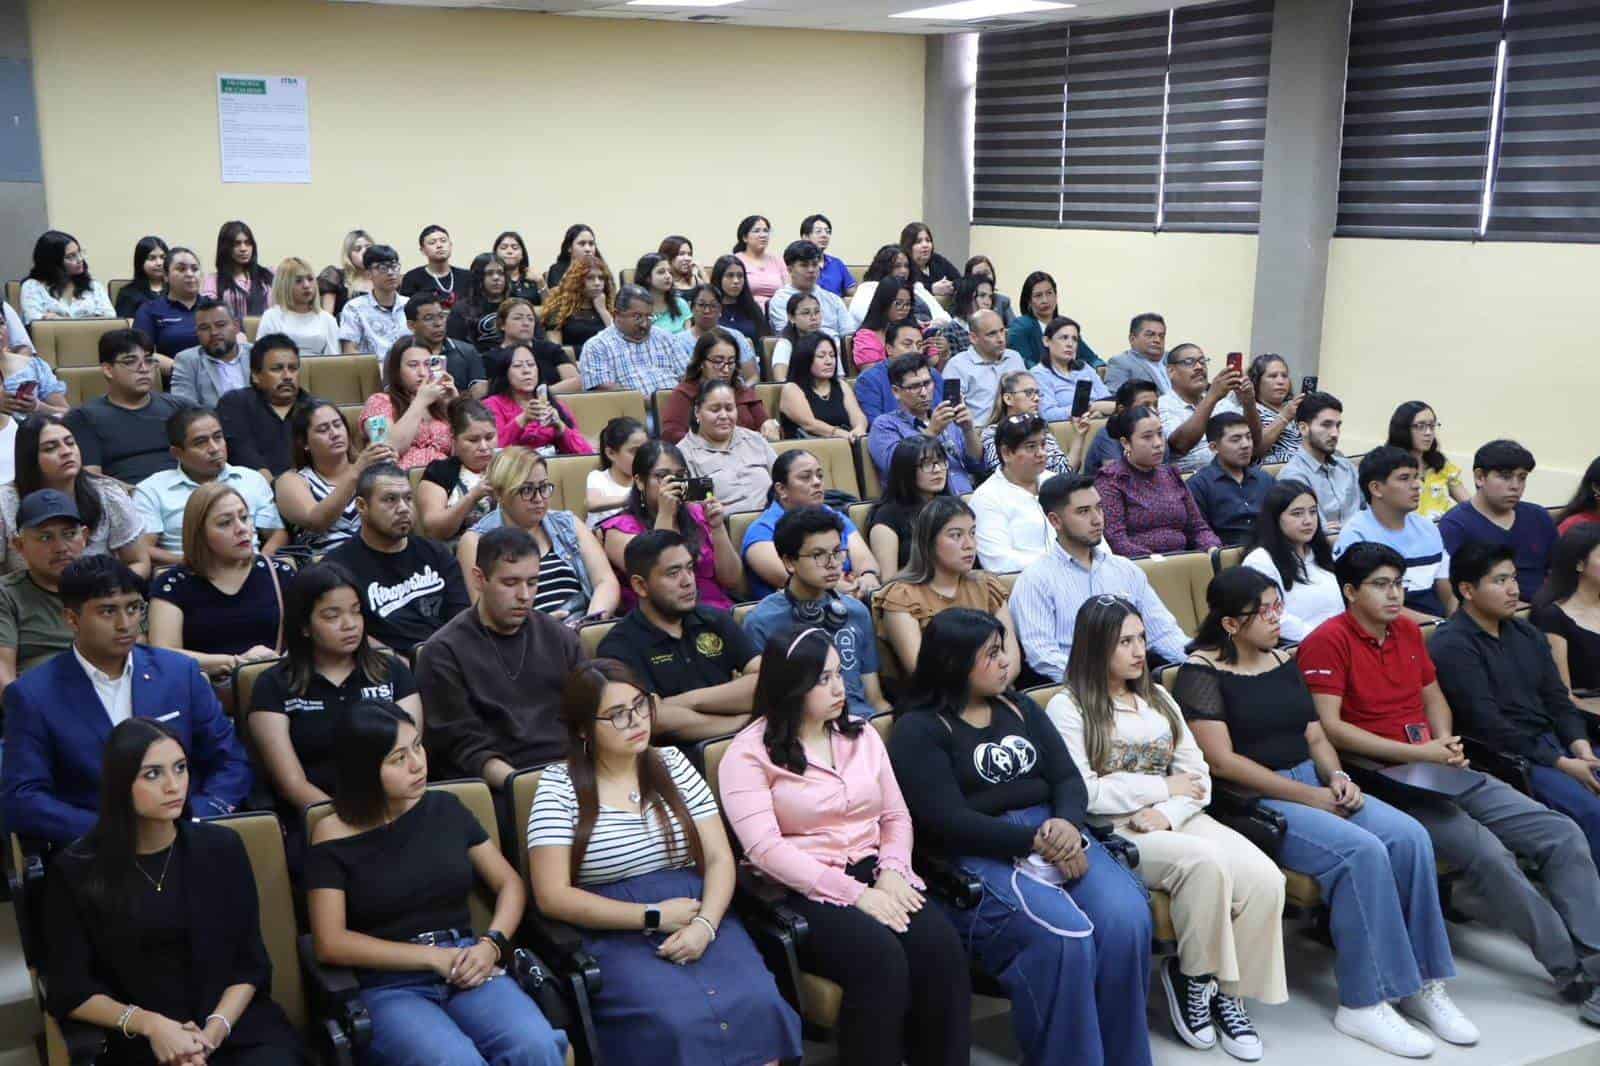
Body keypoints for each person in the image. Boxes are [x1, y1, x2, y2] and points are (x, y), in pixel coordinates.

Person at [1174, 567, 1474, 1056]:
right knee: (1361, 852)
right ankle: (1363, 1001)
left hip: (1314, 780)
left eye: (1278, 606)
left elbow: (1314, 733)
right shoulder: (1200, 673)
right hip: (1259, 799)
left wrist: (1338, 778)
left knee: (1409, 836)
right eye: (1266, 610)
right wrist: (1307, 796)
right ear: (1230, 624)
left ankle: (1421, 983)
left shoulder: (1280, 657)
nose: (1278, 618)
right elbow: (1223, 762)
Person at [1304, 540, 1600, 1021]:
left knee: (1560, 832)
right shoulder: (1327, 640)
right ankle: (1571, 969)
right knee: (1489, 854)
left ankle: (1598, 961)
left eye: (1399, 584)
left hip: (1436, 765)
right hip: (1381, 775)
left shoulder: (1406, 631)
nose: (1395, 595)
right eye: (1380, 585)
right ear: (1350, 590)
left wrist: (1442, 743)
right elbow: (1333, 728)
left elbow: (1433, 696)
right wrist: (1418, 753)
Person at [889, 608, 1154, 1066]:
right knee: (1063, 935)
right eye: (991, 654)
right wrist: (1035, 841)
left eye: (1003, 649)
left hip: (1054, 828)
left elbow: (1068, 780)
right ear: (954, 663)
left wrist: (1069, 824)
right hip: (979, 850)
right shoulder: (918, 729)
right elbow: (944, 820)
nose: (1006, 661)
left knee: (1126, 916)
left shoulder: (1021, 706)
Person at [529, 658, 801, 1064]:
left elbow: (718, 858)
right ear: (585, 729)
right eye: (617, 715)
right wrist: (651, 916)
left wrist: (706, 926)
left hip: (699, 911)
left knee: (758, 1001)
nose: (636, 721)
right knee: (674, 1022)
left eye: (640, 706)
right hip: (614, 927)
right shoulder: (558, 786)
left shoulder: (673, 764)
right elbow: (552, 896)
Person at [719, 629, 969, 1065]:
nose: (839, 689)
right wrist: (857, 895)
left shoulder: (861, 735)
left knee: (942, 948)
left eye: (839, 674)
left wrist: (892, 869)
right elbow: (764, 850)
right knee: (880, 960)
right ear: (790, 684)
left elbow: (894, 816)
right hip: (802, 886)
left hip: (875, 869)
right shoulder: (748, 754)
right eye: (822, 680)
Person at [1050, 595, 1286, 1057]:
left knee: (1265, 880)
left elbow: (1197, 776)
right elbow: (1088, 793)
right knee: (1205, 863)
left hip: (1179, 814)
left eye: (1141, 638)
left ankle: (1227, 992)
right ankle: (1192, 977)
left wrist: (1170, 810)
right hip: (1116, 830)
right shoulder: (1068, 706)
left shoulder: (1158, 698)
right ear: (1096, 648)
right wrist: (1160, 789)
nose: (1140, 651)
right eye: (1124, 642)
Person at [306, 699, 568, 1066]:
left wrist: (491, 944)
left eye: (417, 746)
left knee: (535, 1045)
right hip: (390, 984)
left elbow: (510, 884)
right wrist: (432, 958)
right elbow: (330, 943)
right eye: (398, 758)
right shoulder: (331, 834)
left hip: (467, 961)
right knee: (456, 1062)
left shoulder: (446, 808)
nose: (417, 763)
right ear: (364, 770)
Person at [44, 719, 307, 1066]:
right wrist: (151, 1026)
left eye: (180, 768)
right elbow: (71, 990)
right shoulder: (76, 869)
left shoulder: (221, 847)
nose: (173, 785)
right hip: (139, 1037)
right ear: (121, 785)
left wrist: (211, 1035)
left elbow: (250, 966)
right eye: (152, 774)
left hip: (232, 1027)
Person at [1, 554, 251, 844]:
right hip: (97, 853)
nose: (126, 624)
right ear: (72, 619)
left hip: (187, 836)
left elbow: (231, 760)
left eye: (133, 608)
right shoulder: (33, 694)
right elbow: (24, 797)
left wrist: (200, 817)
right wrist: (112, 834)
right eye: (108, 612)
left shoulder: (179, 673)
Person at [1435, 543, 1600, 856]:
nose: (1513, 590)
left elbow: (1558, 700)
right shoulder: (1452, 644)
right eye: (1500, 581)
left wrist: (1581, 747)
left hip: (1560, 744)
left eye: (1514, 578)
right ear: (1467, 590)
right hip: (1513, 759)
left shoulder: (1525, 633)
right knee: (1592, 813)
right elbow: (1487, 725)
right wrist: (1564, 763)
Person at [416, 527, 587, 785]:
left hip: (572, 774)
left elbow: (589, 713)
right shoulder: (443, 652)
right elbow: (464, 748)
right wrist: (525, 788)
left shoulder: (560, 637)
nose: (524, 596)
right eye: (510, 583)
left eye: (532, 582)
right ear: (479, 579)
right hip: (502, 786)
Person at [250, 561, 420, 814]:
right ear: (304, 626)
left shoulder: (393, 671)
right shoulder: (273, 685)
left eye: (356, 611)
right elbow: (291, 783)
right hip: (319, 816)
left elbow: (410, 755)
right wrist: (344, 821)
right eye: (332, 616)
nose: (350, 624)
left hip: (395, 808)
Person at [1011, 473, 1190, 682]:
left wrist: (1200, 660)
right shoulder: (1035, 580)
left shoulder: (1126, 570)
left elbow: (1163, 633)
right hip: (1079, 692)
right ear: (1055, 521)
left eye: (1099, 508)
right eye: (1083, 512)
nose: (1097, 519)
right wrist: (1101, 682)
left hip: (1134, 683)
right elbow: (1042, 655)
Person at [597, 531, 759, 734]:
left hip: (742, 748)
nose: (688, 581)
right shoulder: (619, 645)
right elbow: (652, 718)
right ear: (640, 585)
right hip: (675, 759)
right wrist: (738, 723)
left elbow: (766, 682)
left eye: (689, 568)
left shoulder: (715, 619)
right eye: (673, 573)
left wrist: (688, 701)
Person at [742, 507, 889, 718]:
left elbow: (874, 698)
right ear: (789, 562)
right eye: (818, 555)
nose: (832, 564)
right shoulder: (761, 622)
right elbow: (768, 707)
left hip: (861, 725)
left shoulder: (856, 611)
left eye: (837, 552)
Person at [148, 482, 294, 679]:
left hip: (278, 689)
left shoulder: (279, 573)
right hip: (206, 694)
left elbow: (312, 637)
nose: (242, 529)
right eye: (225, 523)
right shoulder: (173, 584)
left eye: (244, 518)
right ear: (200, 534)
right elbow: (164, 654)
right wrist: (235, 663)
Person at [325, 463, 470, 660]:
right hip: (385, 671)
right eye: (390, 499)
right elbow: (352, 637)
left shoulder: (437, 553)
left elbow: (461, 620)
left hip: (447, 661)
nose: (403, 508)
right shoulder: (337, 568)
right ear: (362, 506)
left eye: (408, 498)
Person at [456, 447, 619, 619]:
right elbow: (485, 612)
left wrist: (589, 621)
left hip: (582, 624)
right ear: (499, 494)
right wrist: (543, 629)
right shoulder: (476, 541)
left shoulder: (568, 524)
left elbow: (606, 582)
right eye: (526, 490)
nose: (539, 498)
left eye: (543, 487)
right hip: (524, 637)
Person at [878, 496, 1016, 675]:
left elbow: (1012, 658)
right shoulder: (902, 596)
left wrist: (996, 686)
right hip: (939, 699)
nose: (969, 545)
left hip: (996, 691)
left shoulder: (987, 586)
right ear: (928, 542)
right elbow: (920, 670)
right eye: (956, 535)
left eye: (972, 533)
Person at [135, 408, 286, 568]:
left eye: (218, 437)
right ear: (177, 452)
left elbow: (277, 533)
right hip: (188, 576)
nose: (214, 448)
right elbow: (144, 548)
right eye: (200, 442)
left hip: (249, 570)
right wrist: (199, 565)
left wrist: (260, 563)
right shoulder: (152, 490)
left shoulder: (251, 480)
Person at [601, 440, 740, 610]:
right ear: (639, 481)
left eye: (679, 476)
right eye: (661, 476)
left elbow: (732, 580)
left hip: (716, 611)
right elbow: (656, 575)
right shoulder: (617, 530)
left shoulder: (697, 513)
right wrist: (666, 514)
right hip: (664, 618)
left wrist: (718, 528)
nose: (673, 484)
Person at [0, 415, 144, 576]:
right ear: (29, 458)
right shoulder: (4, 502)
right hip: (26, 598)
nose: (66, 452)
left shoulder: (107, 493)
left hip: (97, 595)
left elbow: (138, 561)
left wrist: (113, 593)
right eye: (50, 448)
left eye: (70, 443)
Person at [1333, 447, 1455, 620]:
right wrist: (1438, 626)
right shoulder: (1356, 535)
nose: (1416, 485)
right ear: (1376, 488)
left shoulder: (1428, 528)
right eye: (1404, 478)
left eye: (1416, 478)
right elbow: (1372, 606)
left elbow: (1448, 595)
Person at [740, 449, 877, 600]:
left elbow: (864, 559)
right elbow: (792, 578)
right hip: (795, 616)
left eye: (819, 475)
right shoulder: (761, 532)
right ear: (781, 489)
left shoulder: (833, 516)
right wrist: (846, 587)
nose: (817, 482)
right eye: (806, 477)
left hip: (851, 600)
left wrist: (867, 577)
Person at [1439, 438, 1558, 604]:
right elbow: (1456, 592)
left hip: (1544, 612)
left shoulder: (1538, 516)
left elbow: (1559, 573)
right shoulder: (1456, 525)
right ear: (1480, 477)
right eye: (1505, 477)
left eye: (1522, 478)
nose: (1515, 486)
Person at [1097, 405, 1221, 559]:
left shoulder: (1171, 474)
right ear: (1126, 443)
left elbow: (1198, 528)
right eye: (1147, 437)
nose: (1158, 443)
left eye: (1160, 434)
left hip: (1184, 561)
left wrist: (1212, 548)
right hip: (1142, 567)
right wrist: (1158, 563)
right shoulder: (1111, 479)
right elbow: (1116, 541)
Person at [65, 328, 187, 483]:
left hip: (187, 494)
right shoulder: (83, 418)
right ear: (108, 370)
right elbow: (91, 481)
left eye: (149, 360)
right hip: (126, 499)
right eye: (130, 361)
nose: (144, 369)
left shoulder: (180, 407)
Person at [0, 490, 87, 697]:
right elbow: (4, 682)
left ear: (84, 537)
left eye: (69, 534)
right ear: (20, 545)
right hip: (40, 707)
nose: (61, 548)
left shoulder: (108, 586)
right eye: (45, 537)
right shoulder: (7, 595)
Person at [275, 399, 388, 556]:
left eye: (338, 425)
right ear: (304, 443)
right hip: (329, 567)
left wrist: (391, 473)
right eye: (323, 429)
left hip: (382, 555)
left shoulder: (370, 470)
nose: (335, 434)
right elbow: (317, 521)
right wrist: (356, 472)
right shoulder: (291, 481)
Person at [1242, 479, 1343, 642]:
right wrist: (1323, 639)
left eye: (1313, 511)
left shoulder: (1320, 552)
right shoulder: (1260, 560)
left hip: (1338, 641)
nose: (1308, 520)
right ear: (1275, 518)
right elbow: (1273, 616)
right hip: (1297, 647)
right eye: (1297, 513)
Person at [868, 354, 984, 494]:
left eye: (927, 383)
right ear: (896, 391)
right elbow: (896, 468)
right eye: (914, 386)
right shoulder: (885, 425)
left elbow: (976, 464)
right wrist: (932, 432)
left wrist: (968, 430)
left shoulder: (947, 418)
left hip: (966, 499)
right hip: (921, 507)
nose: (924, 393)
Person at [1160, 345, 1264, 476]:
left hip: (1235, 475)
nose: (1199, 367)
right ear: (1171, 371)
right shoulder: (1162, 405)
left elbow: (1255, 441)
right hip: (1192, 483)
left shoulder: (1221, 402)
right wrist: (1212, 397)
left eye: (1202, 361)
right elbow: (1180, 445)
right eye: (1189, 362)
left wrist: (1249, 402)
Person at [971, 414, 1056, 574]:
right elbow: (998, 561)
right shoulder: (986, 498)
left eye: (1043, 445)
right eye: (1031, 447)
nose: (1042, 453)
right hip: (1026, 584)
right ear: (1006, 453)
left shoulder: (1056, 482)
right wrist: (1060, 560)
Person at [678, 381, 779, 515]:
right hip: (721, 529)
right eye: (715, 410)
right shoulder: (684, 454)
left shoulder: (755, 440)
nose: (724, 416)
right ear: (697, 411)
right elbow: (695, 513)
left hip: (774, 522)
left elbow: (782, 482)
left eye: (729, 408)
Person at [216, 334, 309, 479]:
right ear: (255, 376)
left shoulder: (315, 409)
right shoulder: (235, 404)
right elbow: (244, 455)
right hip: (253, 492)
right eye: (277, 369)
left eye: (293, 368)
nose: (287, 376)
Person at [661, 329, 775, 445]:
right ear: (701, 363)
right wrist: (711, 443)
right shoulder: (686, 393)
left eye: (731, 362)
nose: (726, 369)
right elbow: (671, 434)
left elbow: (767, 427)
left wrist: (770, 426)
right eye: (718, 362)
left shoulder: (741, 391)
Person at [362, 336, 459, 469]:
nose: (422, 373)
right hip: (398, 482)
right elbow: (385, 448)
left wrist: (456, 407)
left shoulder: (441, 405)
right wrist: (420, 402)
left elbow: (467, 452)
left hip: (443, 482)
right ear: (397, 371)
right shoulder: (378, 402)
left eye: (427, 364)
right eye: (413, 365)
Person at [481, 344, 593, 455]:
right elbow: (492, 449)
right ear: (505, 372)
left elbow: (585, 452)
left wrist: (559, 426)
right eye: (517, 366)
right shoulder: (491, 405)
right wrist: (523, 419)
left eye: (531, 365)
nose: (526, 371)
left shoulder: (555, 405)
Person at [866, 435, 954, 574]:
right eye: (926, 464)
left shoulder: (953, 507)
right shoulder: (887, 517)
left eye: (941, 461)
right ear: (906, 470)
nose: (937, 469)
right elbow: (888, 582)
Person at [1278, 392, 1363, 536]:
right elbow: (1317, 532)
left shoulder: (1347, 467)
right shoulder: (1293, 476)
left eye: (1338, 426)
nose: (1335, 433)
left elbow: (1371, 513)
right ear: (1303, 428)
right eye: (1326, 425)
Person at [578, 285, 688, 394]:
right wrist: (652, 402)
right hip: (632, 409)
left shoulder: (665, 337)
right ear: (617, 314)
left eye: (649, 316)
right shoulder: (597, 346)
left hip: (676, 406)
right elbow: (605, 391)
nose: (644, 324)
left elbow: (687, 377)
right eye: (637, 317)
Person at [416, 399, 498, 544]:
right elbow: (434, 530)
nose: (484, 447)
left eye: (490, 437)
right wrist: (472, 497)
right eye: (473, 440)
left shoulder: (508, 465)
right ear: (454, 438)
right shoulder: (439, 471)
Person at [1188, 413, 1275, 547]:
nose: (1246, 445)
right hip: (1228, 556)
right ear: (1214, 447)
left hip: (1270, 550)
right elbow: (1198, 533)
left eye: (1248, 437)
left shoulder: (1265, 479)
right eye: (1236, 440)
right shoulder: (1199, 485)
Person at [980, 370, 1086, 475]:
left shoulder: (1041, 430)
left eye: (1037, 393)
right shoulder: (992, 433)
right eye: (1029, 393)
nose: (1036, 398)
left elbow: (1066, 471)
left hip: (1053, 488)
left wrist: (1080, 434)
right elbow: (1003, 474)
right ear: (1008, 398)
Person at [943, 310, 1027, 429]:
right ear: (973, 338)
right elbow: (951, 415)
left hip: (1019, 429)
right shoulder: (956, 366)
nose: (1001, 339)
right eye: (992, 334)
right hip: (979, 433)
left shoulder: (1014, 358)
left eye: (1002, 331)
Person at [1386, 401, 1467, 520]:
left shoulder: (1440, 465)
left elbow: (1469, 506)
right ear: (1402, 429)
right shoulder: (1387, 466)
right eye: (1420, 426)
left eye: (1432, 426)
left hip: (1443, 532)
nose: (1429, 433)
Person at [778, 332, 866, 441]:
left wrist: (859, 429)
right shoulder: (791, 389)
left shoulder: (841, 385)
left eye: (832, 355)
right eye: (821, 356)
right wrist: (841, 433)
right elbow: (810, 424)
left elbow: (858, 416)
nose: (829, 361)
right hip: (806, 450)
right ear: (805, 359)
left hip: (844, 445)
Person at [1006, 270, 1099, 369]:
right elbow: (1023, 363)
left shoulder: (1064, 325)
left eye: (1049, 293)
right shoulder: (1021, 326)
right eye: (1038, 296)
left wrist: (1099, 366)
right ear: (1029, 301)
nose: (1045, 300)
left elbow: (1091, 358)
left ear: (1056, 295)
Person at [854, 323, 947, 422]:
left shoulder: (931, 373)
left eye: (919, 345)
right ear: (889, 349)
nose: (915, 350)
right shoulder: (869, 380)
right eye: (907, 345)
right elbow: (876, 425)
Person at [1221, 354, 1302, 465]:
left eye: (1284, 376)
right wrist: (1284, 418)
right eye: (1273, 376)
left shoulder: (1295, 406)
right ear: (1257, 381)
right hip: (1270, 474)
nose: (1281, 381)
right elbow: (1255, 449)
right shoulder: (1248, 410)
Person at [171, 298, 252, 409]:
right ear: (197, 333)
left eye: (220, 325)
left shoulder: (256, 354)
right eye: (204, 328)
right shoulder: (187, 361)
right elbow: (184, 409)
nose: (214, 332)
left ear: (236, 326)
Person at [404, 292, 488, 399]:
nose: (438, 323)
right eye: (429, 318)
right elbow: (394, 394)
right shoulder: (401, 354)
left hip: (458, 411)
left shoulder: (467, 351)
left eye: (441, 316)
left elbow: (479, 390)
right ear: (411, 325)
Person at [487, 297, 580, 394]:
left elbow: (575, 382)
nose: (526, 323)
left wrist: (541, 394)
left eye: (530, 319)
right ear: (502, 324)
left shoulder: (550, 349)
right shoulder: (491, 358)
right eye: (518, 318)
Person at [20, 229, 114, 323]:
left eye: (79, 253)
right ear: (52, 262)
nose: (79, 260)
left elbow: (111, 318)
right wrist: (92, 318)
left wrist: (60, 320)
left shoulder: (93, 286)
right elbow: (34, 322)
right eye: (70, 256)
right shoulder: (32, 287)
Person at [769, 240, 858, 339]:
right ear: (790, 270)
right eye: (804, 265)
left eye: (815, 264)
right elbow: (788, 336)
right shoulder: (780, 300)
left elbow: (849, 335)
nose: (811, 270)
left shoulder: (833, 299)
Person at [672, 284, 758, 385]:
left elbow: (752, 377)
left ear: (721, 309)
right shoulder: (677, 342)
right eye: (701, 305)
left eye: (713, 306)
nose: (707, 311)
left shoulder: (736, 336)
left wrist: (739, 396)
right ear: (692, 307)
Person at [1033, 316, 1113, 422]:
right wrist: (1087, 408)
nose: (1070, 344)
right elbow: (1047, 414)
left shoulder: (1085, 368)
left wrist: (1100, 412)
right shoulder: (1039, 374)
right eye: (1064, 338)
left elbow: (1107, 399)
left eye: (1074, 339)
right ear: (1046, 341)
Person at [850, 244, 949, 328]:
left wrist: (932, 324)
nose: (903, 271)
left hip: (928, 335)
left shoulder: (917, 288)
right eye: (897, 266)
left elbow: (945, 317)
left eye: (906, 266)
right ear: (884, 268)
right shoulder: (868, 288)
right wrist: (914, 325)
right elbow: (870, 318)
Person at [258, 256, 341, 355]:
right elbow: (261, 358)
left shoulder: (327, 319)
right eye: (298, 281)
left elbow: (335, 362)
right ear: (284, 285)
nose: (306, 285)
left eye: (310, 279)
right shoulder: (271, 316)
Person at [132, 245, 203, 361]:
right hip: (174, 375)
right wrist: (181, 370)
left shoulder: (215, 307)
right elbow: (141, 352)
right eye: (181, 269)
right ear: (165, 276)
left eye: (195, 269)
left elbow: (238, 340)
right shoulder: (149, 310)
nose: (190, 274)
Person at [337, 244, 409, 356]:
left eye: (394, 266)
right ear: (368, 273)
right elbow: (349, 352)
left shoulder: (410, 305)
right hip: (371, 371)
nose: (390, 273)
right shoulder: (354, 308)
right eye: (383, 268)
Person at [1083, 379, 1159, 479]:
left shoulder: (1157, 432)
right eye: (1145, 406)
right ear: (1122, 410)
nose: (1154, 411)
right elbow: (1118, 478)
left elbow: (1162, 472)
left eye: (1155, 405)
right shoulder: (1108, 434)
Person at [543, 255, 614, 355]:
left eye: (601, 278)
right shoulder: (559, 309)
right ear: (577, 281)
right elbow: (556, 351)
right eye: (590, 278)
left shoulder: (607, 308)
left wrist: (603, 310)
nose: (597, 283)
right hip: (573, 364)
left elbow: (618, 343)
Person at [202, 221, 274, 320]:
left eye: (248, 243)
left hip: (267, 333)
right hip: (233, 334)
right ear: (225, 248)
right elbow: (209, 314)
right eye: (237, 244)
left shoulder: (267, 275)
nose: (243, 249)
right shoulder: (214, 280)